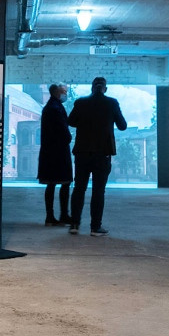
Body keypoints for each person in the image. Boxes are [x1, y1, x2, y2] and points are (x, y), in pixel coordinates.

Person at [67, 77, 127, 236]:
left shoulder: (80, 102)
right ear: (105, 89)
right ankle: (95, 227)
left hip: (82, 152)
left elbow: (71, 121)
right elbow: (122, 126)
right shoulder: (112, 103)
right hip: (102, 153)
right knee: (98, 191)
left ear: (91, 88)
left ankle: (74, 225)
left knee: (79, 189)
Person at [37, 84, 73, 226]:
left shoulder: (50, 107)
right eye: (64, 91)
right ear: (56, 92)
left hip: (50, 152)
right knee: (64, 182)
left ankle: (51, 216)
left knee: (51, 183)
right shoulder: (55, 108)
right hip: (58, 152)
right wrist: (69, 138)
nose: (65, 94)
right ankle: (61, 215)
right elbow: (62, 129)